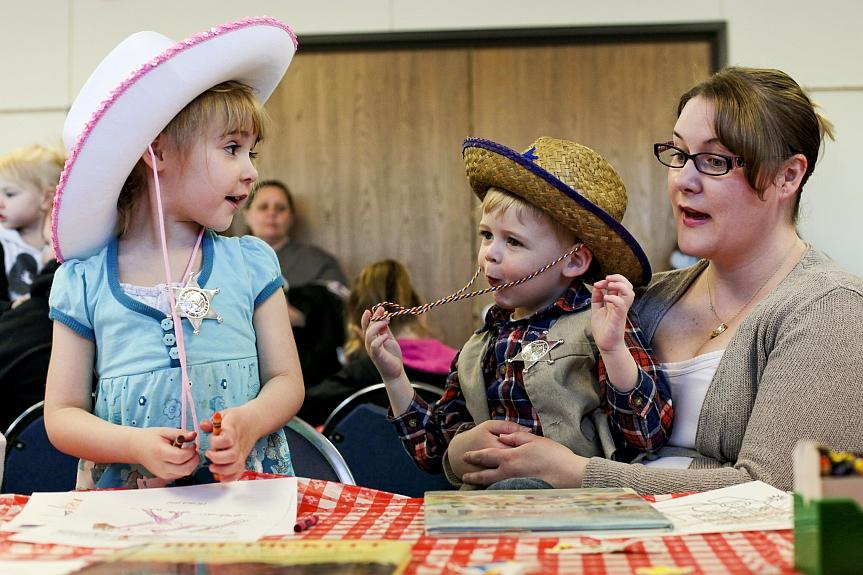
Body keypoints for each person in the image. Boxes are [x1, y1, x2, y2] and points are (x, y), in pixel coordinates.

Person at [450, 67, 863, 494]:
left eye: (715, 161)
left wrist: (579, 474)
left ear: (787, 176)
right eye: (679, 154)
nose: (683, 180)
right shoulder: (647, 298)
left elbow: (785, 492)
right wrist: (466, 448)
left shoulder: (833, 308)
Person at [43, 17, 305, 490]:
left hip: (242, 498)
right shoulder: (84, 281)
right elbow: (61, 415)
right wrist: (133, 446)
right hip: (127, 511)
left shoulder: (251, 263)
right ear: (157, 153)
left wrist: (249, 422)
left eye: (252, 153)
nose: (250, 172)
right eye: (231, 148)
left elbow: (287, 379)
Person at [362, 136, 672, 483]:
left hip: (572, 503)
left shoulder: (603, 325)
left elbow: (647, 436)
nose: (490, 254)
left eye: (513, 241)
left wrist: (613, 350)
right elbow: (431, 452)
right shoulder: (478, 347)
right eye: (486, 235)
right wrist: (394, 377)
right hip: (486, 505)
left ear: (573, 261)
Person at [299, 259, 458, 426]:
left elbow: (299, 413)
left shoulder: (357, 377)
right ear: (421, 314)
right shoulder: (463, 367)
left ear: (359, 330)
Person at [244, 179, 347, 290]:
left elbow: (340, 298)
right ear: (247, 215)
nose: (272, 213)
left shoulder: (320, 263)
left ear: (291, 217)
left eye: (280, 208)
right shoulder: (231, 260)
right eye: (263, 207)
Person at [0, 144, 64, 311]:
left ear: (46, 199)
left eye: (9, 194)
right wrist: (10, 307)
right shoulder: (4, 241)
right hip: (14, 319)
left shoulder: (65, 242)